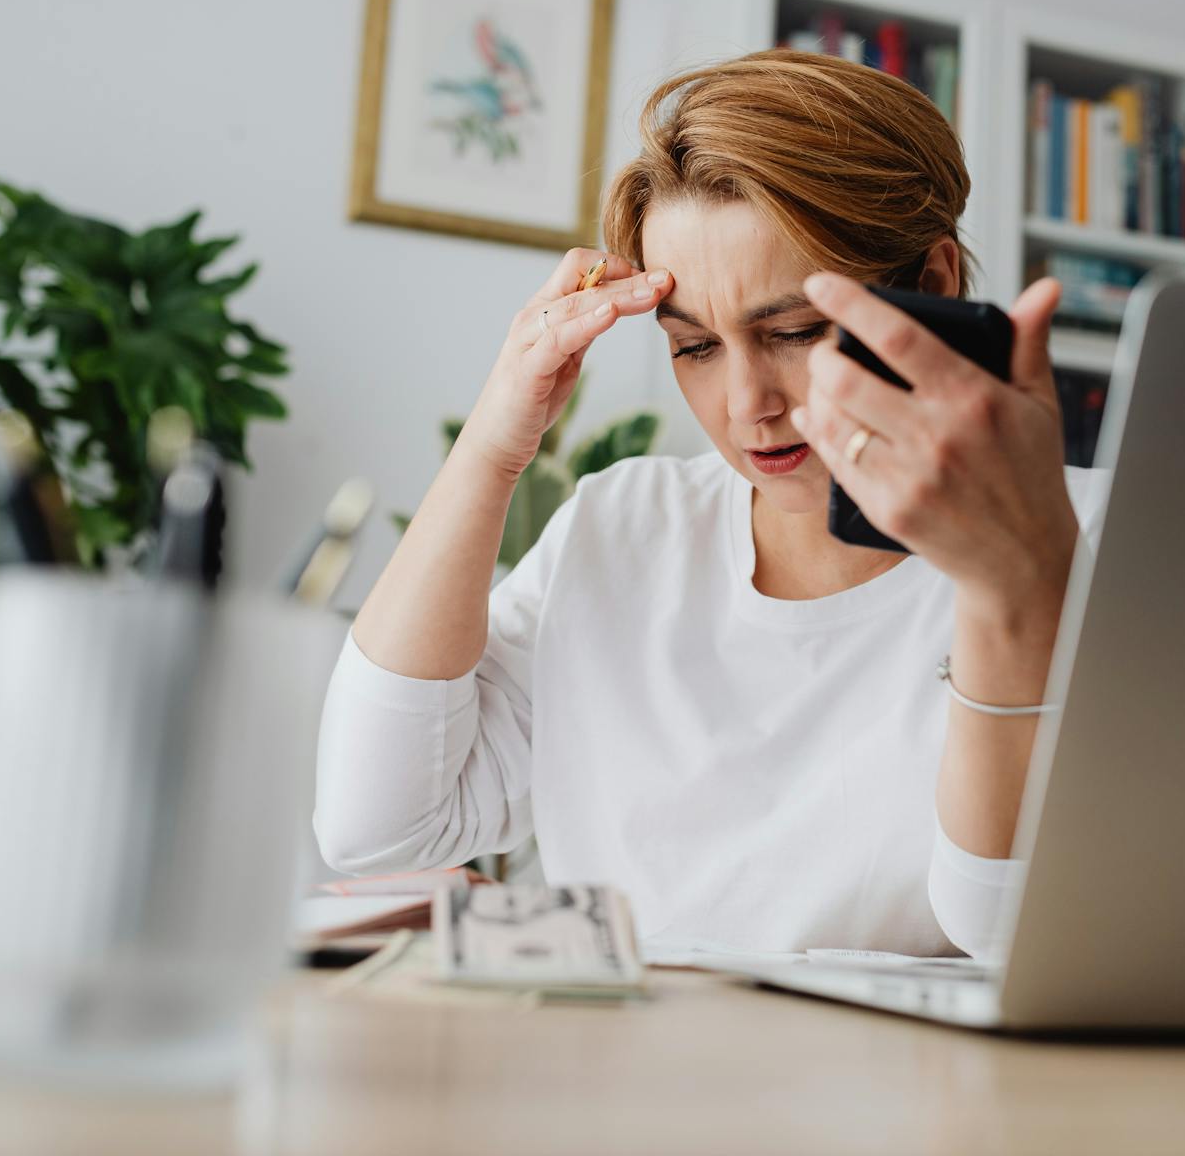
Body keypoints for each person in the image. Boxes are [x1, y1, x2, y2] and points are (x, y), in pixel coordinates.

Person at [314, 50, 1103, 959]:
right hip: (629, 1086)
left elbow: (1010, 933)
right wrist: (495, 447)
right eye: (694, 348)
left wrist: (1015, 588)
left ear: (931, 285)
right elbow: (377, 829)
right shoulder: (624, 527)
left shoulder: (1092, 543)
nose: (746, 406)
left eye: (795, 332)